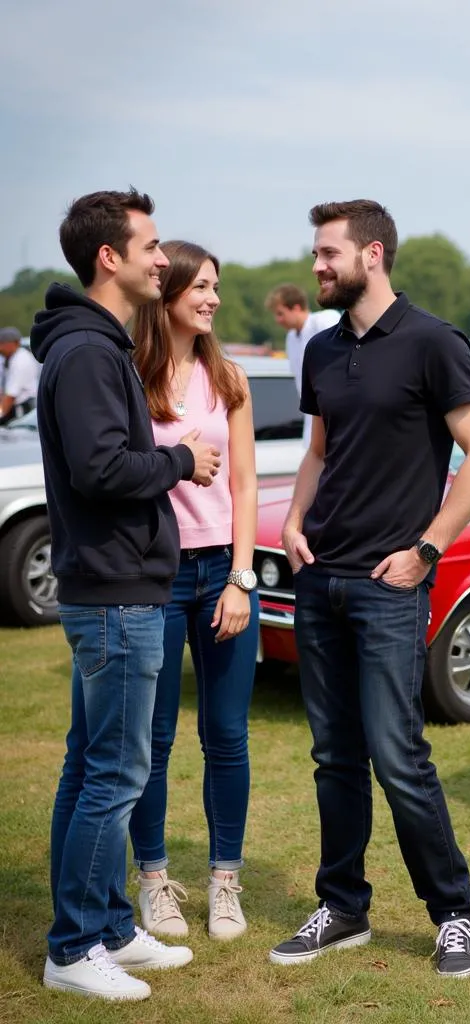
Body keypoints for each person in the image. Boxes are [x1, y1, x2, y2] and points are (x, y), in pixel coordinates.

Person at [270, 199, 470, 978]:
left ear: (372, 254)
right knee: (334, 756)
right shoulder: (323, 350)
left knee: (398, 756)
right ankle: (343, 907)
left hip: (388, 584)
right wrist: (294, 520)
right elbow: (319, 450)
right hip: (320, 579)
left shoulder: (435, 342)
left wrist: (427, 550)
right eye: (316, 253)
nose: (317, 265)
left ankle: (456, 912)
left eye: (328, 252)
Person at [31, 189, 220, 1001]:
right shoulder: (86, 353)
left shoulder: (96, 346)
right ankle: (74, 948)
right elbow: (101, 470)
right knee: (116, 771)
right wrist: (183, 461)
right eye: (147, 245)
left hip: (118, 587)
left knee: (95, 764)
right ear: (109, 257)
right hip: (115, 594)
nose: (159, 258)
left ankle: (108, 926)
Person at [129, 241, 259, 943]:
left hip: (222, 573)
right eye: (200, 287)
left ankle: (225, 883)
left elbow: (244, 484)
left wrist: (241, 577)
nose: (211, 298)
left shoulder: (227, 375)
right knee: (152, 739)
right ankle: (154, 882)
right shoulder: (129, 373)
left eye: (216, 287)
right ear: (168, 292)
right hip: (154, 574)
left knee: (228, 736)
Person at [265, 284, 341, 446]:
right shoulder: (291, 338)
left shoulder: (322, 320)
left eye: (281, 314)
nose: (278, 320)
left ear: (296, 308)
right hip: (312, 414)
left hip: (336, 412)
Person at [0, 325, 39, 423]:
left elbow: (10, 396)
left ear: (15, 343)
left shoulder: (20, 360)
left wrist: (0, 414)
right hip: (16, 408)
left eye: (2, 343)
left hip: (23, 411)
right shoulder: (10, 358)